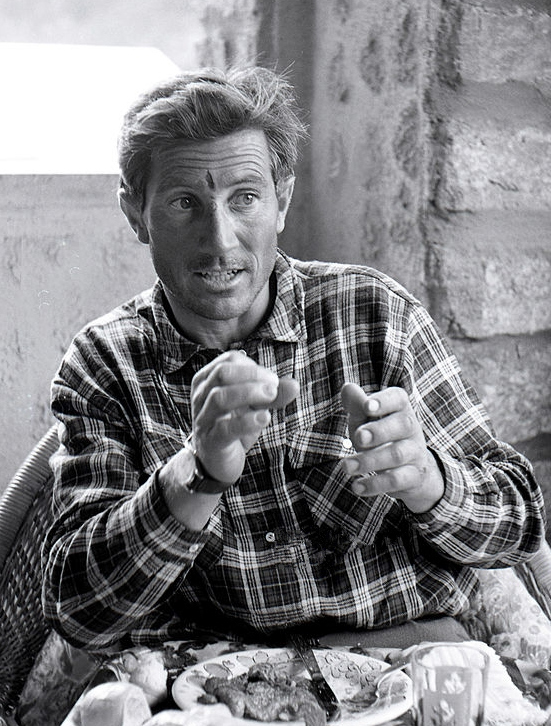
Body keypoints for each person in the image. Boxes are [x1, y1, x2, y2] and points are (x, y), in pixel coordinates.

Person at [42, 66, 545, 654]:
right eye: (185, 203)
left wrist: (429, 480)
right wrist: (195, 474)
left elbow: (519, 521)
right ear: (135, 213)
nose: (221, 240)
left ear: (283, 200)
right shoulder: (105, 363)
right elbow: (78, 611)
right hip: (215, 690)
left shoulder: (376, 314)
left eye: (245, 197)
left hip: (407, 660)